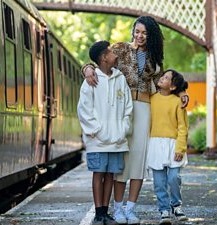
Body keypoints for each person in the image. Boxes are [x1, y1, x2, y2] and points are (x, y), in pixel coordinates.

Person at [82, 16, 189, 224]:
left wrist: (183, 90)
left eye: (144, 33)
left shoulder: (155, 58)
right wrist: (86, 69)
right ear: (133, 31)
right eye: (137, 31)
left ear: (151, 36)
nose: (140, 36)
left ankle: (131, 209)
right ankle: (118, 208)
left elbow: (168, 81)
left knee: (139, 160)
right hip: (121, 108)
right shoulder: (120, 49)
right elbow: (97, 57)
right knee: (122, 160)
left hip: (145, 109)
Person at [77, 40, 133, 225]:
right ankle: (97, 214)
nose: (115, 54)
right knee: (98, 173)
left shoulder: (120, 78)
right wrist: (97, 131)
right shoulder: (91, 80)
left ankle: (105, 212)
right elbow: (84, 109)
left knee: (110, 174)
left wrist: (123, 128)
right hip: (97, 139)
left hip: (117, 139)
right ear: (103, 58)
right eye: (111, 52)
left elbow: (127, 106)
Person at [145, 69, 189, 224]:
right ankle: (164, 209)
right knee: (159, 182)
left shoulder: (178, 102)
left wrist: (180, 148)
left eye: (166, 78)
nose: (162, 78)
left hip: (173, 144)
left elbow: (183, 127)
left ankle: (176, 205)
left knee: (173, 177)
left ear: (172, 86)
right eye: (162, 76)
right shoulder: (151, 99)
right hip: (155, 143)